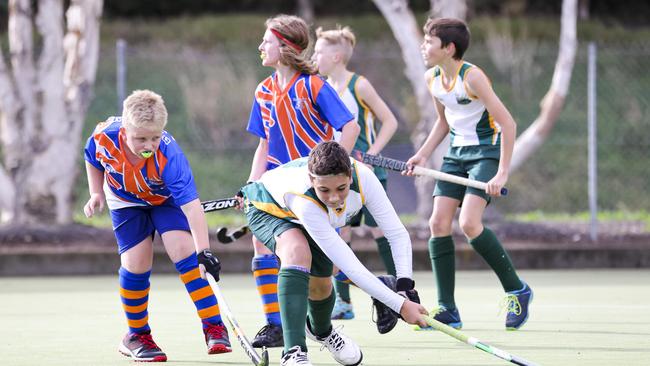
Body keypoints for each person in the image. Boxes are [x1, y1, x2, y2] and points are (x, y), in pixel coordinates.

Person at [239, 141, 428, 366]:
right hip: (267, 206)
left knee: (321, 284)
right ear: (312, 181)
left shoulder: (366, 179)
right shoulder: (304, 200)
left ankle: (321, 331)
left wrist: (405, 286)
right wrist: (400, 305)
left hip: (311, 216)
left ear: (350, 175)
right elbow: (349, 264)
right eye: (324, 190)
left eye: (341, 188)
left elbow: (397, 233)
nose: (334, 198)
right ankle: (293, 351)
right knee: (296, 251)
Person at [83, 90, 231, 362]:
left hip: (164, 199)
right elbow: (92, 159)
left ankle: (214, 326)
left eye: (155, 137)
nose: (148, 145)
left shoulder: (170, 155)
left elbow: (192, 208)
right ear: (124, 131)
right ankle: (137, 336)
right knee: (136, 263)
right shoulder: (103, 136)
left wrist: (205, 252)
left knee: (185, 250)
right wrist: (96, 193)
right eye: (140, 138)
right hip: (124, 200)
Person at [405, 17, 533, 331]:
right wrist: (422, 153)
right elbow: (443, 122)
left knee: (469, 223)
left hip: (485, 154)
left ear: (449, 48)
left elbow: (508, 123)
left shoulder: (472, 77)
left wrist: (502, 172)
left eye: (429, 42)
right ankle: (448, 309)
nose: (424, 47)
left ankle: (517, 289)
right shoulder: (431, 78)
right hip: (455, 156)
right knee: (437, 222)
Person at [245, 14, 360, 348]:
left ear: (285, 47)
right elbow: (263, 144)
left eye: (266, 41)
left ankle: (319, 324)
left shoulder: (313, 85)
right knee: (261, 243)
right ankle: (275, 324)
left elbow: (349, 127)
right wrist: (251, 185)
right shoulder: (263, 90)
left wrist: (335, 171)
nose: (261, 46)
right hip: (276, 188)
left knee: (321, 273)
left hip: (312, 192)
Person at [313, 25, 399, 321]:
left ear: (336, 56)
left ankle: (400, 293)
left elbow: (389, 121)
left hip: (366, 173)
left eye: (319, 51)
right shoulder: (321, 87)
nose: (314, 56)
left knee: (379, 231)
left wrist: (373, 153)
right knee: (340, 232)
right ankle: (343, 303)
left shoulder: (359, 85)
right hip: (337, 175)